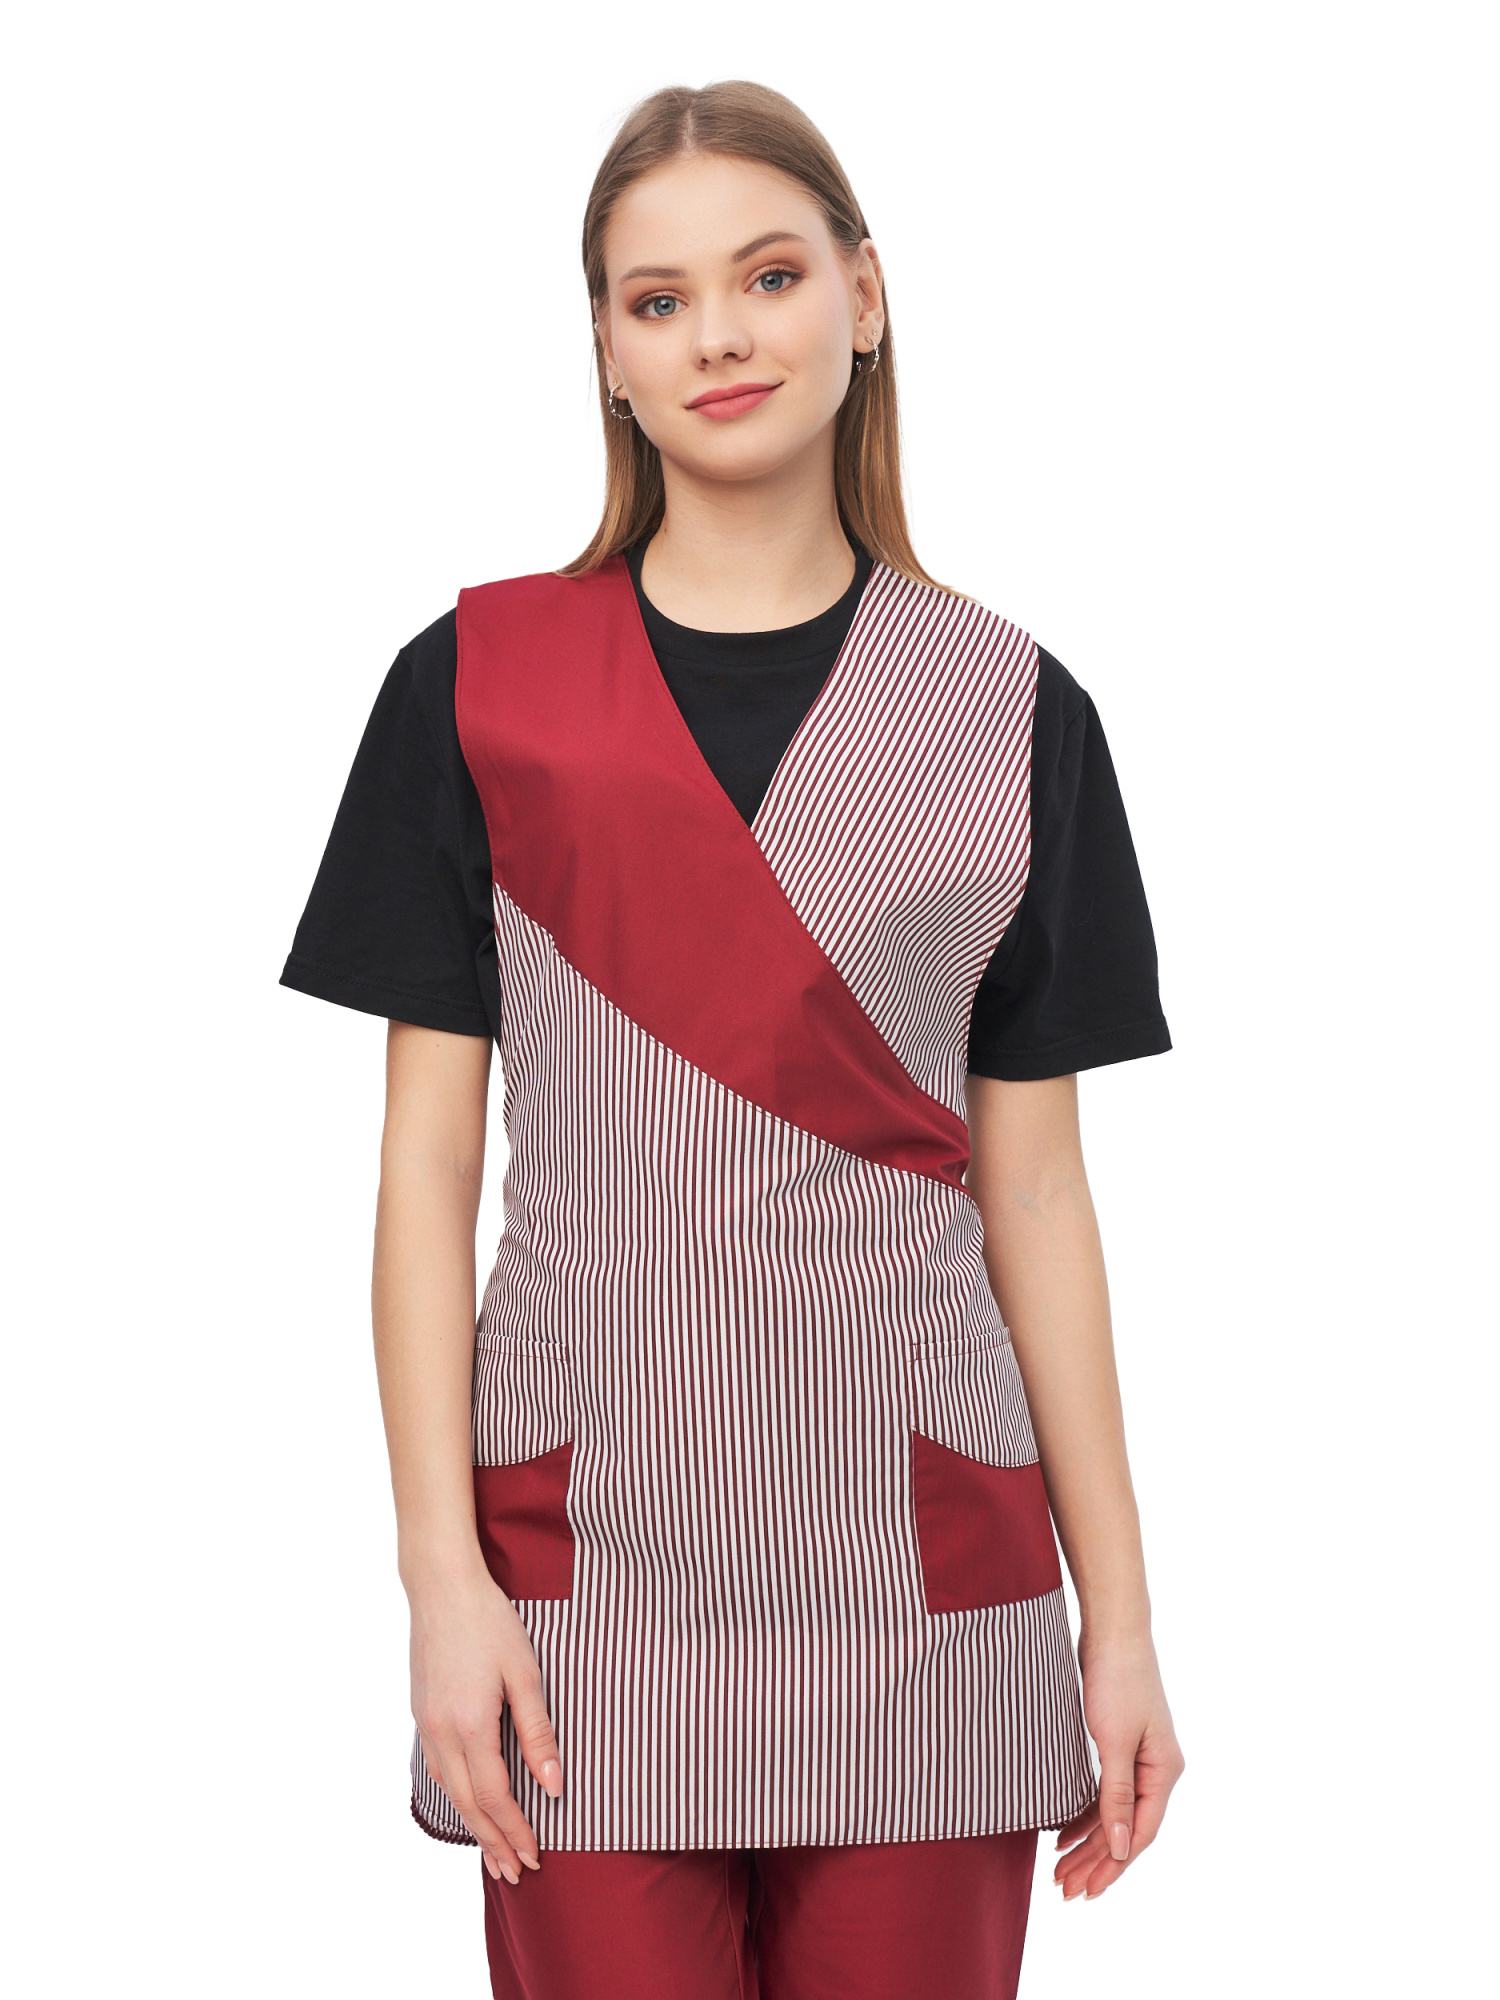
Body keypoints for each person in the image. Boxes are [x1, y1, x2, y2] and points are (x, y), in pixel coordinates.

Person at [282, 78, 1185, 2000]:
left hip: (924, 1573)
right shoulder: (476, 689)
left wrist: (1121, 1618)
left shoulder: (1018, 711)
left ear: (867, 297)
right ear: (607, 354)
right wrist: (439, 1582)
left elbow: (1038, 1192)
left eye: (770, 277)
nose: (720, 335)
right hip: (579, 1580)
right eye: (658, 299)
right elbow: (425, 1173)